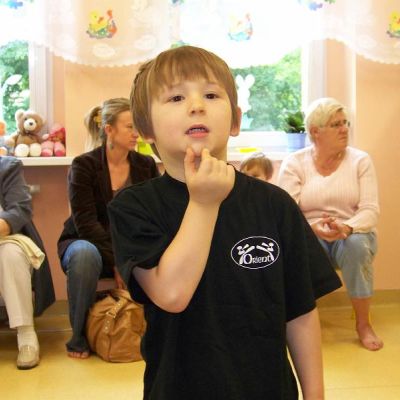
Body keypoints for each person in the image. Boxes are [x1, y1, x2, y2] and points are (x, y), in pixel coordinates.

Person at [108, 46, 341, 399]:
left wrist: (315, 395)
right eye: (176, 97)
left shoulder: (275, 205)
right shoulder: (134, 207)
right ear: (145, 129)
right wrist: (204, 202)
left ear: (235, 120)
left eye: (211, 95)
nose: (196, 105)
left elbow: (301, 311)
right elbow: (171, 294)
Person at [278, 97, 383, 351]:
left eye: (345, 123)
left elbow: (370, 210)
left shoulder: (360, 160)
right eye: (336, 124)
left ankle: (363, 324)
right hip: (310, 234)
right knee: (297, 246)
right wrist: (311, 228)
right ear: (315, 131)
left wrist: (347, 227)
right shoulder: (295, 163)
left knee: (356, 245)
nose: (345, 129)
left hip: (353, 233)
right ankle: (302, 325)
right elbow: (286, 213)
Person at [57, 98, 159, 359]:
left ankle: (157, 332)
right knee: (84, 254)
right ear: (109, 129)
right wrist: (117, 261)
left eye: (137, 126)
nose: (136, 133)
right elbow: (86, 223)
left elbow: (151, 217)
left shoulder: (145, 165)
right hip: (86, 242)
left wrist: (127, 257)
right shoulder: (84, 165)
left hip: (129, 246)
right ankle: (78, 338)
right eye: (129, 126)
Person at [0, 155, 55, 369]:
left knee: (11, 254)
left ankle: (26, 337)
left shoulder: (7, 167)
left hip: (5, 238)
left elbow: (20, 209)